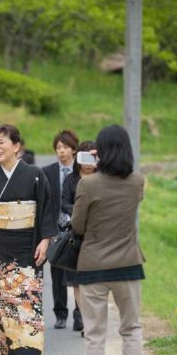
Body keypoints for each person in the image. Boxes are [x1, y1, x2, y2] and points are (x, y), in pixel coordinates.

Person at [71, 125, 148, 355]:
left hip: (92, 266)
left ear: (98, 151)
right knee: (132, 328)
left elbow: (78, 225)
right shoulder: (137, 182)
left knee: (95, 333)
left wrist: (95, 164)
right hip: (128, 264)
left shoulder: (88, 184)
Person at [0, 124, 58, 355]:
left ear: (16, 146)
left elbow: (46, 209)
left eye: (2, 142)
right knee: (1, 305)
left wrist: (45, 241)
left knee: (28, 302)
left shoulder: (34, 174)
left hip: (27, 245)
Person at [42, 130, 79, 329]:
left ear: (74, 149)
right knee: (56, 271)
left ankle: (79, 313)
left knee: (76, 271)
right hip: (56, 229)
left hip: (76, 228)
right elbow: (45, 203)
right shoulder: (47, 172)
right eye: (58, 147)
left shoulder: (82, 171)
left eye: (64, 147)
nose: (61, 151)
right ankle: (60, 313)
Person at [60, 140, 96, 335]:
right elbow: (64, 203)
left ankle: (92, 317)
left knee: (93, 281)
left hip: (97, 236)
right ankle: (84, 317)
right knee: (76, 282)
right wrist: (79, 212)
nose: (89, 163)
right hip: (76, 235)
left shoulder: (103, 179)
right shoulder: (71, 179)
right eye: (84, 158)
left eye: (92, 157)